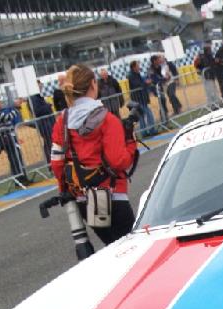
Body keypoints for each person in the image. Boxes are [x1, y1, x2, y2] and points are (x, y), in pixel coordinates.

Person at [50, 64, 138, 246]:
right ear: (92, 84)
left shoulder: (62, 121)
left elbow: (57, 162)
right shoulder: (107, 119)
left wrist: (64, 189)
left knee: (112, 248)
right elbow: (118, 161)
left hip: (85, 198)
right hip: (112, 194)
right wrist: (131, 143)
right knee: (132, 249)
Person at [0, 96, 29, 185]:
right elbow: (8, 117)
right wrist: (16, 107)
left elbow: (8, 123)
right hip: (7, 138)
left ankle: (21, 178)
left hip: (9, 137)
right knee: (15, 158)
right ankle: (20, 179)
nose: (0, 104)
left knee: (16, 157)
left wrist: (15, 137)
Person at [29, 80, 55, 163]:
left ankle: (52, 162)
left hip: (47, 124)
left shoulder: (38, 96)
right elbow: (37, 111)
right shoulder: (34, 98)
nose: (41, 86)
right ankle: (51, 162)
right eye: (39, 85)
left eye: (41, 85)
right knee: (49, 144)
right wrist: (48, 106)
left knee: (50, 143)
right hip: (45, 125)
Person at [127, 60, 156, 135]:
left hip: (141, 98)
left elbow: (140, 84)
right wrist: (145, 82)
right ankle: (150, 130)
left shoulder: (137, 74)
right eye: (137, 66)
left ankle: (144, 132)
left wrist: (146, 82)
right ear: (134, 67)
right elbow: (137, 85)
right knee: (147, 114)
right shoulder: (131, 76)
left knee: (142, 115)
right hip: (138, 99)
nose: (139, 67)